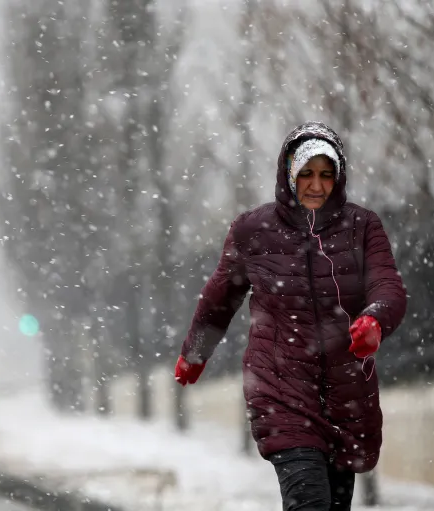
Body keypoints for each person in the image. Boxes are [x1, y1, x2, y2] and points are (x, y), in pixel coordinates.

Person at [174, 121, 407, 510]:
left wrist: (375, 320)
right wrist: (195, 353)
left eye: (326, 175)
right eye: (306, 174)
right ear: (288, 175)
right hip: (280, 390)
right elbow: (219, 297)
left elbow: (388, 286)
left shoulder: (363, 227)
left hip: (345, 394)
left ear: (339, 177)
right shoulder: (253, 230)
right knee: (308, 501)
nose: (316, 186)